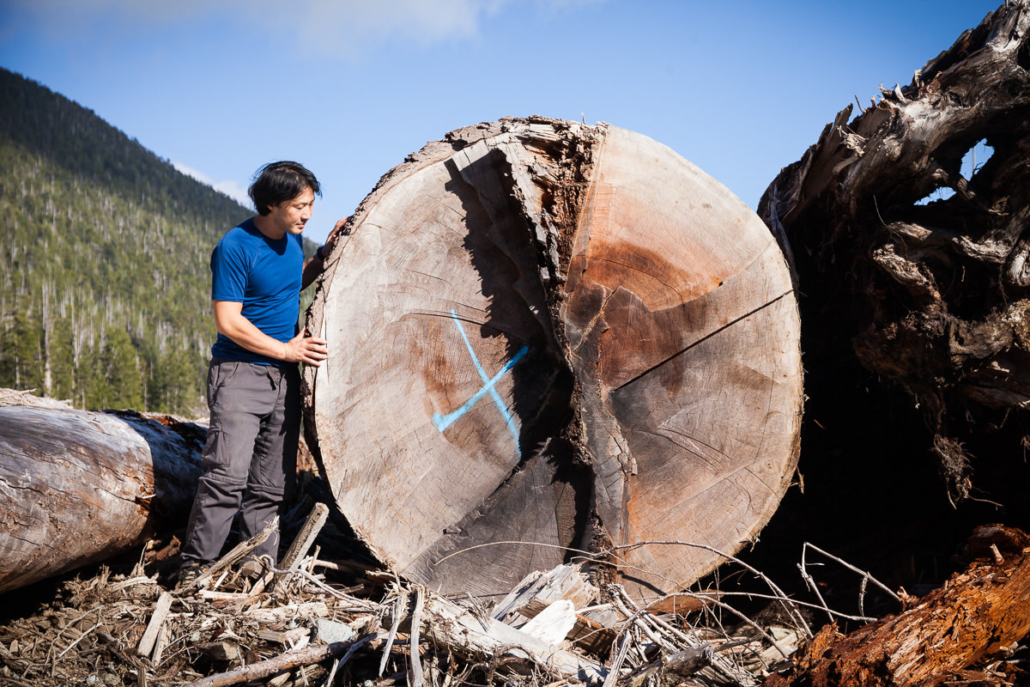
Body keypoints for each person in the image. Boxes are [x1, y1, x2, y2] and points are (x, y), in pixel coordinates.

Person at [177, 161, 345, 587]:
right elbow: (228, 321)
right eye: (299, 206)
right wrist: (286, 349)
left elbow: (285, 286)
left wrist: (322, 256)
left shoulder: (292, 240)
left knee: (270, 485)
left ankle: (257, 565)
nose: (307, 214)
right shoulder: (235, 246)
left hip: (284, 378)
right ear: (271, 204)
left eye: (310, 205)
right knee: (225, 477)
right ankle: (195, 568)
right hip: (240, 374)